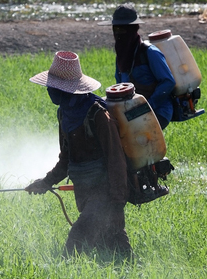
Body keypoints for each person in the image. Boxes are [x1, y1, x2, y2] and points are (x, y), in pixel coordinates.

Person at [24, 51, 132, 261]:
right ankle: (132, 277)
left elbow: (116, 158)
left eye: (53, 87)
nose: (49, 91)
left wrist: (118, 200)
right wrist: (45, 182)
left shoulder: (98, 115)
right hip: (85, 192)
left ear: (68, 90)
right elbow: (66, 160)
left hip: (106, 194)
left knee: (77, 241)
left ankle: (62, 277)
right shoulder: (64, 114)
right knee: (113, 248)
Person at [99, 4, 176, 129]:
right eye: (116, 29)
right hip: (132, 114)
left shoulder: (150, 52)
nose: (118, 33)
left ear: (133, 29)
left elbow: (168, 82)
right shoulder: (121, 56)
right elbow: (120, 86)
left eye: (123, 29)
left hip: (159, 111)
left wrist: (147, 107)